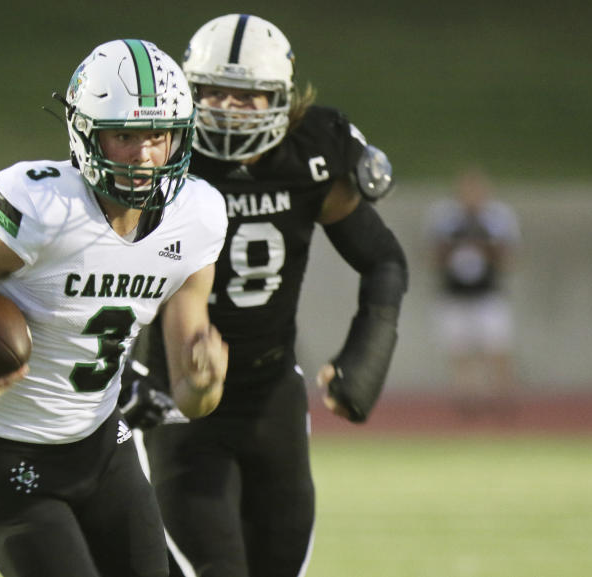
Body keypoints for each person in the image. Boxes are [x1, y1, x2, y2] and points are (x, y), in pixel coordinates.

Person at [0, 39, 229, 577]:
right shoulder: (43, 207)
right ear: (86, 134)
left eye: (158, 136)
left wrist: (204, 388)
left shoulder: (197, 216)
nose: (144, 156)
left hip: (103, 449)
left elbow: (191, 395)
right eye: (124, 136)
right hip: (6, 460)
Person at [119, 14, 408, 577]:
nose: (227, 108)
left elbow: (383, 260)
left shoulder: (313, 155)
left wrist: (365, 357)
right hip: (178, 399)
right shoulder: (160, 162)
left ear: (282, 99)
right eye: (213, 93)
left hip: (271, 395)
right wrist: (121, 368)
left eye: (246, 96)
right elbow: (103, 268)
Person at [425, 166, 521, 417]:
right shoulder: (446, 218)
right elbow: (434, 257)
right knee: (459, 351)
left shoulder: (497, 218)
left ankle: (502, 399)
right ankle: (467, 401)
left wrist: (483, 246)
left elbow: (508, 258)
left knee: (497, 348)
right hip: (455, 295)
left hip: (487, 295)